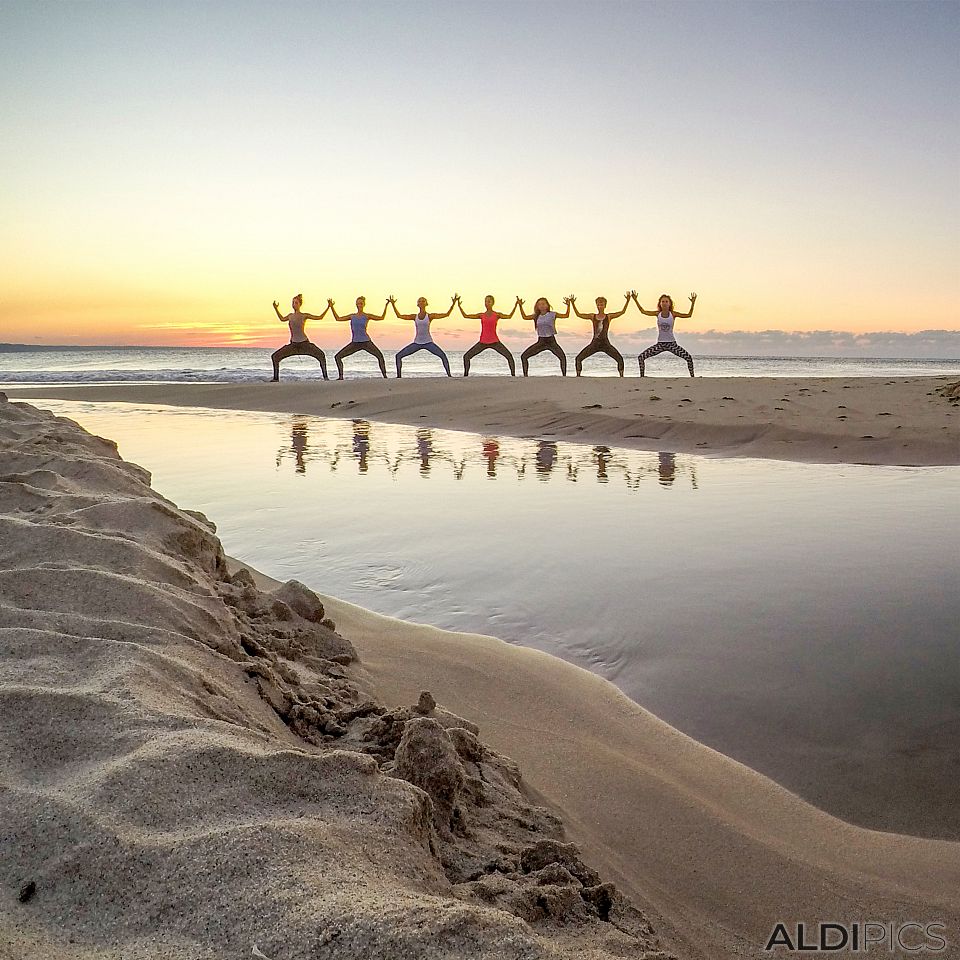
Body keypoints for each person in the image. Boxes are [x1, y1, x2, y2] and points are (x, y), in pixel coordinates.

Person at [389, 295, 457, 377]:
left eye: (423, 301)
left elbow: (446, 314)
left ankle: (449, 375)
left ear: (426, 304)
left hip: (428, 342)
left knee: (443, 356)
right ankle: (399, 377)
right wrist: (393, 304)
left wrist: (453, 303)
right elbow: (399, 316)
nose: (421, 302)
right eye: (420, 301)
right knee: (398, 356)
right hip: (417, 343)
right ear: (417, 304)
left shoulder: (430, 316)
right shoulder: (415, 317)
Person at [633, 292, 698, 377]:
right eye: (662, 301)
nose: (664, 303)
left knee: (688, 358)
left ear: (670, 303)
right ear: (660, 303)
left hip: (672, 344)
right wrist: (635, 300)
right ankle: (642, 377)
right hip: (660, 344)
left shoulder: (673, 314)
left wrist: (693, 302)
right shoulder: (657, 314)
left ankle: (692, 377)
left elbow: (689, 315)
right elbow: (643, 311)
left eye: (666, 301)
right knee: (641, 357)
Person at [570, 292, 632, 376]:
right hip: (594, 343)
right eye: (598, 304)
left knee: (619, 359)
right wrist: (573, 303)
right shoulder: (593, 316)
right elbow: (578, 315)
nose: (600, 306)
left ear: (605, 305)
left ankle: (621, 376)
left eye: (602, 304)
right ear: (596, 305)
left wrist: (627, 301)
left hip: (605, 343)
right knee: (578, 358)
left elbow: (622, 312)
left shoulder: (608, 316)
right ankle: (578, 376)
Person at [270, 294, 330, 381]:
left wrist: (328, 306)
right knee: (275, 356)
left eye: (296, 303)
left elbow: (320, 317)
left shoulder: (304, 315)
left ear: (299, 304)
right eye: (293, 303)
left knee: (321, 355)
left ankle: (326, 377)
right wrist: (276, 308)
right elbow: (282, 319)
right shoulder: (290, 316)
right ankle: (276, 378)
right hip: (293, 345)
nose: (294, 304)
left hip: (304, 343)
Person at [458, 294, 519, 376]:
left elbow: (509, 316)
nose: (487, 303)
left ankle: (513, 376)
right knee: (466, 356)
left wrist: (516, 305)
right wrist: (459, 305)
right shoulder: (481, 315)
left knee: (509, 356)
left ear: (493, 303)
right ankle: (466, 376)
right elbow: (465, 316)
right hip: (483, 342)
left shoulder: (497, 315)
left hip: (495, 342)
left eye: (489, 301)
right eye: (485, 301)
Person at [329, 296, 389, 379]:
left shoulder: (367, 316)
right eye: (357, 304)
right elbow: (338, 318)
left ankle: (385, 377)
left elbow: (381, 317)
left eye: (361, 303)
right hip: (355, 343)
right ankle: (341, 377)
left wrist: (386, 305)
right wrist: (331, 307)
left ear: (364, 304)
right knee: (337, 357)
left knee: (380, 356)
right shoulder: (352, 316)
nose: (359, 305)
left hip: (366, 342)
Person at [519, 297, 570, 376]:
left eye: (543, 304)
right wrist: (520, 306)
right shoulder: (536, 316)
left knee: (562, 357)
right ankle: (525, 376)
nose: (541, 306)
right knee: (524, 356)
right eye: (539, 304)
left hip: (551, 341)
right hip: (541, 341)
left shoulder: (552, 314)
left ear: (547, 305)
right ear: (537, 307)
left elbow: (566, 315)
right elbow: (524, 317)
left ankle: (564, 376)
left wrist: (568, 305)